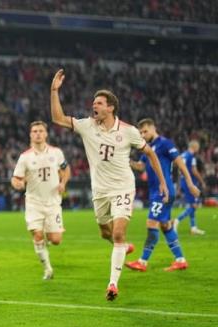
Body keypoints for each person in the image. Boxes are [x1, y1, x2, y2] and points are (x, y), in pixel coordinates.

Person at [50, 69, 169, 301]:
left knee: (117, 233)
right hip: (100, 191)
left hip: (123, 188)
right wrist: (54, 90)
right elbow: (58, 118)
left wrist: (162, 182)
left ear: (110, 107)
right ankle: (122, 247)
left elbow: (151, 154)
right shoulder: (87, 125)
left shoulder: (128, 131)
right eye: (93, 102)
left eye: (99, 103)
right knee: (105, 232)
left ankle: (113, 284)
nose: (94, 106)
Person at [126, 118, 200, 272]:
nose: (143, 135)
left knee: (151, 223)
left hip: (163, 191)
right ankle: (180, 260)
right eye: (141, 133)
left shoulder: (165, 144)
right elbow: (141, 166)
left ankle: (142, 261)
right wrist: (128, 161)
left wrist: (190, 183)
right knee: (165, 226)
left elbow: (180, 163)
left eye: (145, 131)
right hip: (155, 191)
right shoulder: (147, 148)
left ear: (153, 128)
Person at [11, 121, 71, 280]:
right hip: (33, 203)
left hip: (53, 202)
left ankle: (48, 234)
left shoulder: (56, 153)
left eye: (40, 131)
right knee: (37, 235)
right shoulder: (25, 157)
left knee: (56, 240)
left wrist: (63, 183)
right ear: (30, 135)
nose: (38, 133)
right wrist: (17, 183)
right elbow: (16, 178)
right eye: (34, 131)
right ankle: (48, 270)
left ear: (46, 134)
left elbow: (66, 170)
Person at [174, 140, 207, 235]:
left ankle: (193, 227)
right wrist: (202, 181)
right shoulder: (191, 156)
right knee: (194, 205)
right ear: (195, 147)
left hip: (184, 182)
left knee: (192, 204)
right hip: (190, 183)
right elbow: (194, 170)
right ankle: (177, 220)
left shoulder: (182, 155)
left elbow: (178, 167)